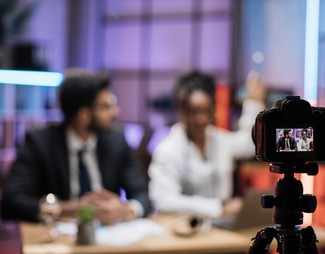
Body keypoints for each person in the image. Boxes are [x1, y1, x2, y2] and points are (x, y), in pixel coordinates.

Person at [1, 69, 150, 225]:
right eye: (105, 107)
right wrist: (69, 209)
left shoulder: (117, 141)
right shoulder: (41, 143)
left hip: (109, 236)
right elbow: (11, 202)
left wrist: (125, 210)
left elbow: (142, 195)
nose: (115, 112)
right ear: (83, 114)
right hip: (58, 240)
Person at [148, 70, 265, 219]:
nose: (201, 119)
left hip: (222, 226)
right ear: (181, 111)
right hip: (186, 228)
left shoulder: (218, 139)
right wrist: (219, 208)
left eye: (206, 111)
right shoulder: (168, 149)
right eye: (194, 112)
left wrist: (253, 102)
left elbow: (249, 144)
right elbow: (163, 200)